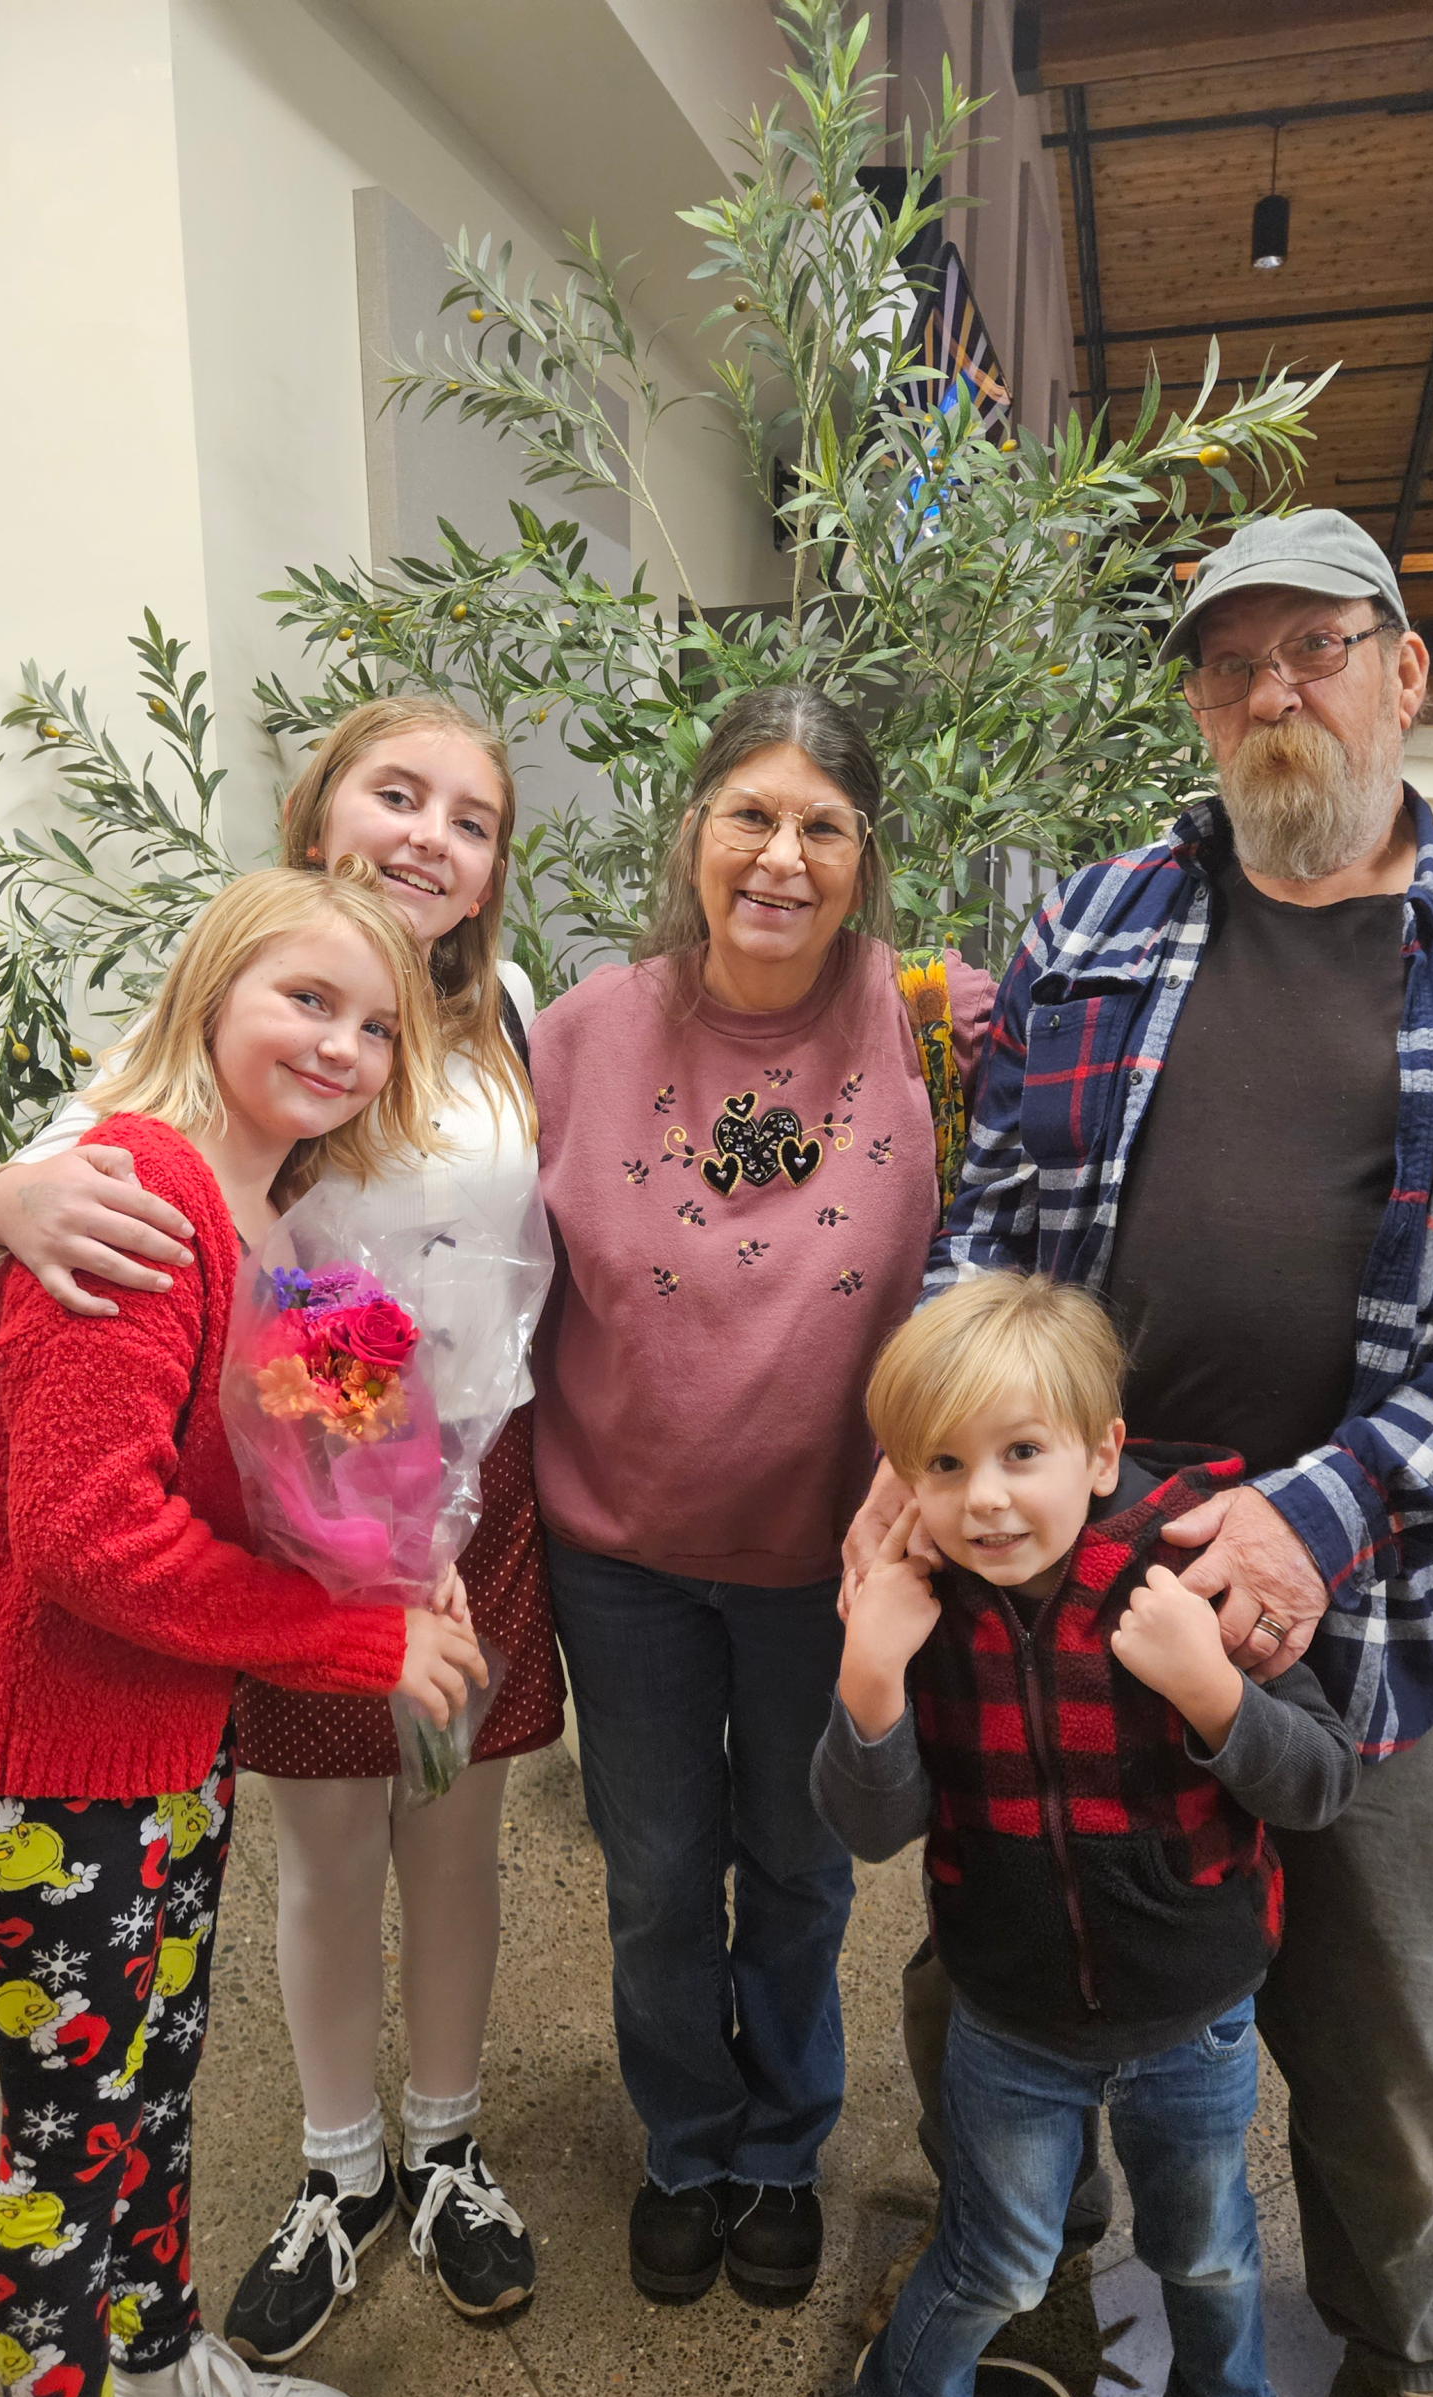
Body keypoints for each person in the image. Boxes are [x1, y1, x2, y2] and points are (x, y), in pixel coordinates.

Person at [845, 509, 1433, 2397]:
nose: (1270, 694)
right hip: (1072, 1571)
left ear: (1405, 673)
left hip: (1397, 1589)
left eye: (1313, 649)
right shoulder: (1092, 925)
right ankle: (1031, 2269)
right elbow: (992, 1232)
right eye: (1231, 665)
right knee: (1007, 1944)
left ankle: (1421, 2338)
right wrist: (930, 1452)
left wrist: (1331, 1500)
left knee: (1394, 2005)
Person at [0, 698, 564, 2358]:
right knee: (328, 1843)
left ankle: (447, 2147)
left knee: (459, 1839)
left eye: (471, 816)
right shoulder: (262, 987)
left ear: (497, 867)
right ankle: (338, 2166)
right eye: (398, 792)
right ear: (320, 813)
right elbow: (90, 1153)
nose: (431, 834)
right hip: (308, 1523)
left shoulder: (502, 1006)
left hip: (480, 1496)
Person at [0, 861, 439, 2397]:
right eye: (304, 999)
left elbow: (329, 1475)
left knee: (153, 2088)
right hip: (44, 1762)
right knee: (67, 2137)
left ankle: (157, 2374)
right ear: (211, 990)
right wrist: (356, 1649)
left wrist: (398, 1545)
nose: (340, 1043)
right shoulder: (133, 1188)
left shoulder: (272, 1219)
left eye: (373, 1021)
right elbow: (86, 1537)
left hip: (162, 1746)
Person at [528, 685, 993, 2308]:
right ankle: (687, 2141)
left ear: (863, 859)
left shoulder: (935, 1020)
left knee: (801, 1871)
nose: (780, 856)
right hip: (623, 1558)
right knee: (657, 1871)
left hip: (832, 1560)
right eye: (750, 814)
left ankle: (784, 2145)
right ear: (694, 832)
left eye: (822, 826)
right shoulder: (581, 1035)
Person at [818, 1273, 1357, 2397]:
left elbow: (1325, 1778)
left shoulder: (1186, 1567)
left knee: (1210, 2247)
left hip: (1196, 2010)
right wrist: (869, 1672)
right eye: (943, 1464)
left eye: (1022, 1453)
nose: (987, 1496)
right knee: (997, 2253)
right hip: (1007, 2019)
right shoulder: (918, 1596)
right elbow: (868, 1823)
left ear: (1103, 1448)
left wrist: (1215, 1693)